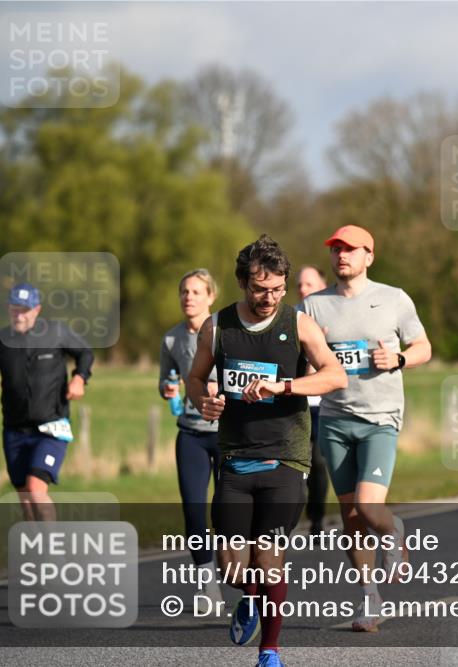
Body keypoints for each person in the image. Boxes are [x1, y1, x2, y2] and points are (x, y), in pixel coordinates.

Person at [187, 235, 346, 667]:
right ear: (243, 282)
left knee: (269, 558)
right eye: (260, 289)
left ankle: (270, 651)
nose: (269, 297)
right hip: (236, 459)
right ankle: (251, 599)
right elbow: (195, 378)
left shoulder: (298, 324)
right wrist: (204, 400)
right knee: (233, 568)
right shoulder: (217, 327)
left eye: (277, 288)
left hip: (285, 459)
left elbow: (335, 375)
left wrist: (286, 385)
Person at [300, 225, 432, 632]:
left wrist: (399, 360)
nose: (341, 255)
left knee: (370, 507)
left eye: (350, 249)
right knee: (351, 517)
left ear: (368, 256)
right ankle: (369, 599)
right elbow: (303, 363)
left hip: (380, 418)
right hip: (335, 420)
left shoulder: (393, 299)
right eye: (336, 249)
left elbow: (424, 347)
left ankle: (395, 529)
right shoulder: (312, 306)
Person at [0, 283, 93, 520]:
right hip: (15, 430)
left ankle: (53, 550)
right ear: (8, 309)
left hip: (51, 426)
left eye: (24, 309)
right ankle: (37, 550)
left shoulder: (56, 333)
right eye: (15, 308)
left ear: (36, 310)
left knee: (36, 490)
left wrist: (79, 378)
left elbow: (85, 353)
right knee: (25, 498)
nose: (19, 314)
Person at [159, 268, 223, 612]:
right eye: (184, 291)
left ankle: (246, 583)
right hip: (191, 434)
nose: (189, 297)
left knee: (229, 513)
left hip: (228, 435)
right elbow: (164, 382)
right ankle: (207, 585)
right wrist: (168, 388)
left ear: (210, 296)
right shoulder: (171, 339)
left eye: (196, 292)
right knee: (194, 511)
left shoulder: (225, 332)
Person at [296, 265, 329, 535]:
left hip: (325, 406)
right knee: (295, 465)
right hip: (297, 406)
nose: (303, 289)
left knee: (318, 463)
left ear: (322, 286)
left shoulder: (334, 316)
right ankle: (290, 517)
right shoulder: (290, 318)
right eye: (300, 285)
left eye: (309, 284)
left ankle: (316, 517)